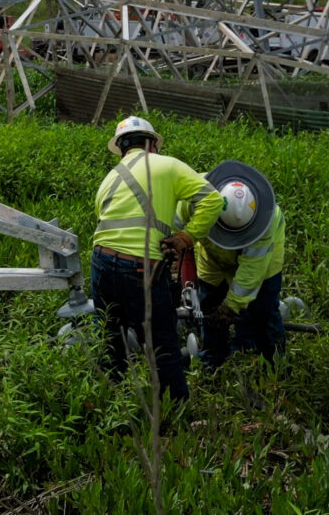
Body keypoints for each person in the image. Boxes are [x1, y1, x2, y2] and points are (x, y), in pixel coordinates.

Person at [91, 116, 223, 401]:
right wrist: (186, 238)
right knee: (163, 344)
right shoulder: (169, 165)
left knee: (109, 339)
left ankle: (111, 404)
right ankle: (177, 413)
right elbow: (214, 200)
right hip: (141, 269)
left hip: (100, 262)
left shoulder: (109, 178)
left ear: (122, 148)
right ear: (152, 144)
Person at [178, 160, 286, 371]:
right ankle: (213, 360)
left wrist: (229, 309)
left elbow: (249, 275)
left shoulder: (266, 224)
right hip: (212, 257)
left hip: (264, 262)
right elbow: (172, 229)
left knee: (263, 312)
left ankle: (273, 368)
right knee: (208, 307)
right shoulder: (194, 196)